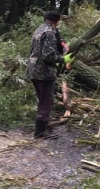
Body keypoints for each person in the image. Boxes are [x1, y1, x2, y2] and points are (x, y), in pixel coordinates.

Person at [26, 10, 74, 139]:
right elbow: (48, 55)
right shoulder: (49, 33)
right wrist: (64, 59)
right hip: (43, 72)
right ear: (56, 21)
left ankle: (43, 127)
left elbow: (55, 41)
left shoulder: (40, 30)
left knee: (43, 99)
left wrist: (62, 44)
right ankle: (40, 132)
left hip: (34, 69)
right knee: (47, 101)